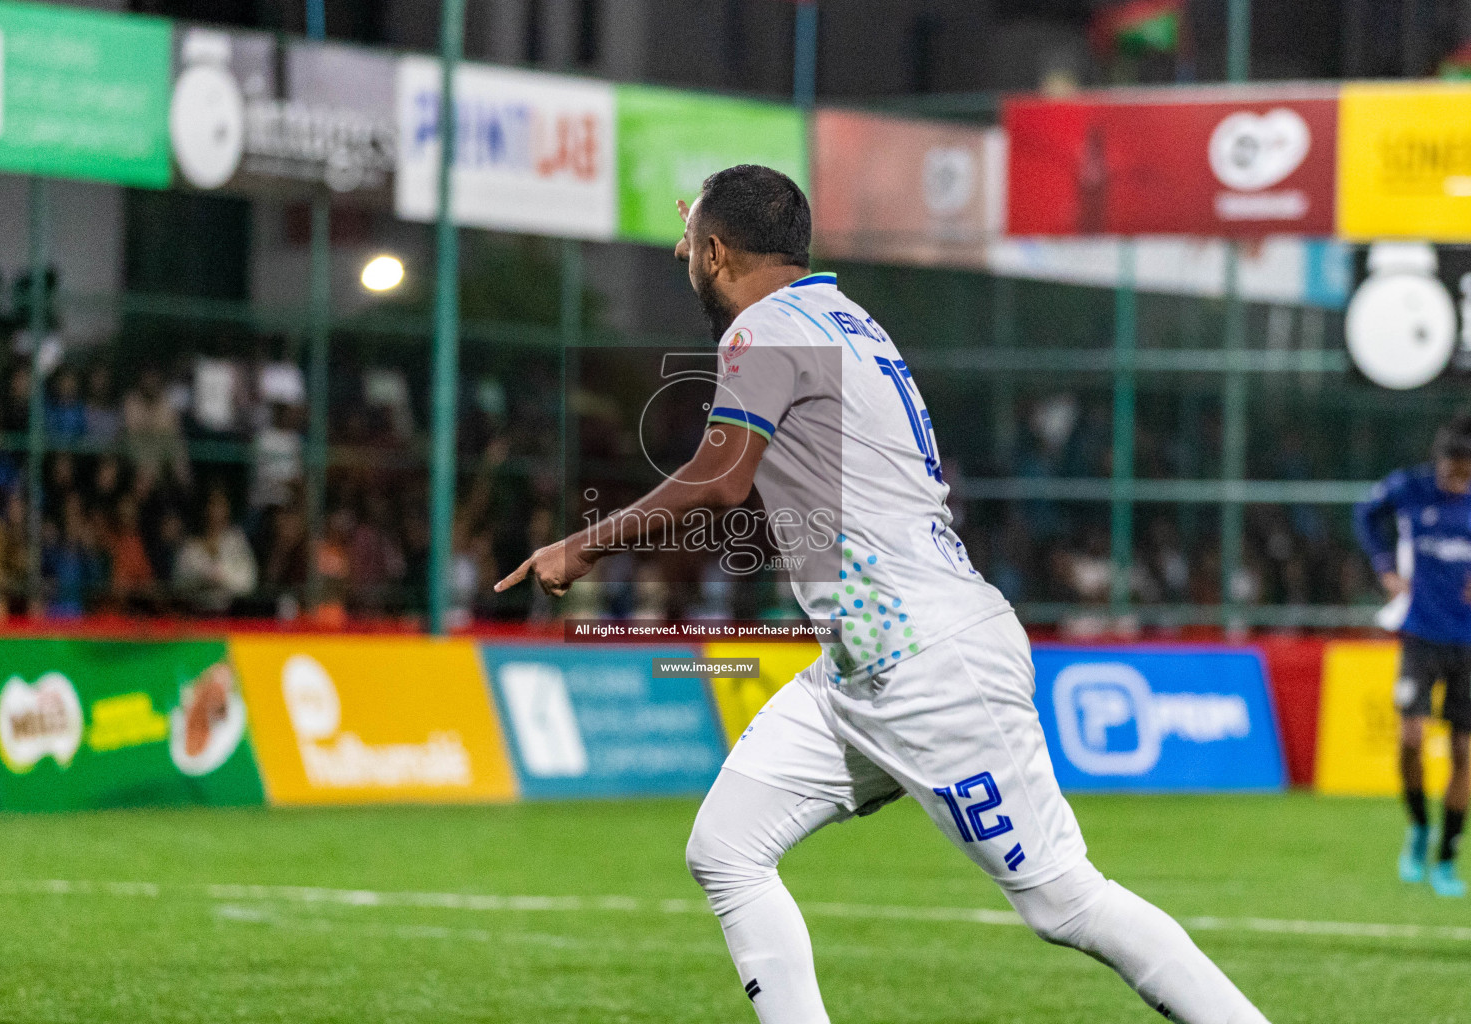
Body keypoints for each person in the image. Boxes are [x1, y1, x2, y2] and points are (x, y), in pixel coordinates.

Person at [496, 165, 1270, 1024]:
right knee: (726, 849)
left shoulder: (768, 330)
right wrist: (715, 231)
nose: (686, 259)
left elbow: (720, 480)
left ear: (715, 251)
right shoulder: (845, 317)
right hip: (865, 661)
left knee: (1066, 902)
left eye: (694, 249)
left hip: (926, 661)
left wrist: (580, 544)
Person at [1354, 414, 1471, 899]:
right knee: (1410, 738)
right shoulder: (1410, 489)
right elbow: (1364, 514)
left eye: (1464, 473)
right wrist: (1384, 567)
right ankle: (1419, 825)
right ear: (1438, 461)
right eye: (1452, 470)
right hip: (1421, 634)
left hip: (1468, 643)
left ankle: (1446, 855)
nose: (1456, 480)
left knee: (1465, 752)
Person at [172, 489, 256, 614]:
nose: (215, 511)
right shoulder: (190, 546)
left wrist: (222, 578)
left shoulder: (236, 541)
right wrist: (203, 580)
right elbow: (178, 583)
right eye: (212, 505)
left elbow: (248, 582)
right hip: (194, 613)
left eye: (220, 505)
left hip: (231, 613)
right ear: (203, 509)